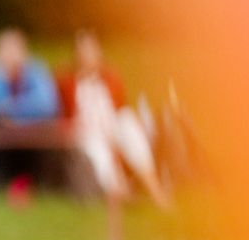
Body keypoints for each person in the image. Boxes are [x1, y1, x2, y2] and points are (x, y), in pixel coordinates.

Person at [55, 28, 171, 208]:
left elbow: (120, 106)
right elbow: (62, 113)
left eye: (91, 50)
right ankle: (121, 191)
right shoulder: (66, 80)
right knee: (97, 150)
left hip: (113, 122)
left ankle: (154, 190)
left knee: (127, 124)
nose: (88, 56)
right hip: (86, 129)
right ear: (76, 54)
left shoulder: (111, 77)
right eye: (83, 50)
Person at [0, 27, 61, 194]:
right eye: (5, 50)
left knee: (47, 124)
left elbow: (46, 103)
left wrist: (14, 112)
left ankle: (37, 180)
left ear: (23, 51)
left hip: (31, 129)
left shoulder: (35, 70)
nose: (10, 55)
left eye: (14, 49)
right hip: (2, 131)